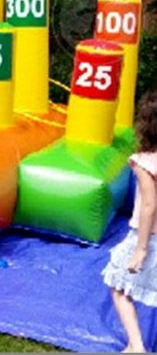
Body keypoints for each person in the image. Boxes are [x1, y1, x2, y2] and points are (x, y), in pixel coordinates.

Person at [102, 89, 157, 352]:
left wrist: (141, 248)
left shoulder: (144, 162)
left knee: (118, 286)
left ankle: (136, 345)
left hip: (148, 237)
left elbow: (149, 205)